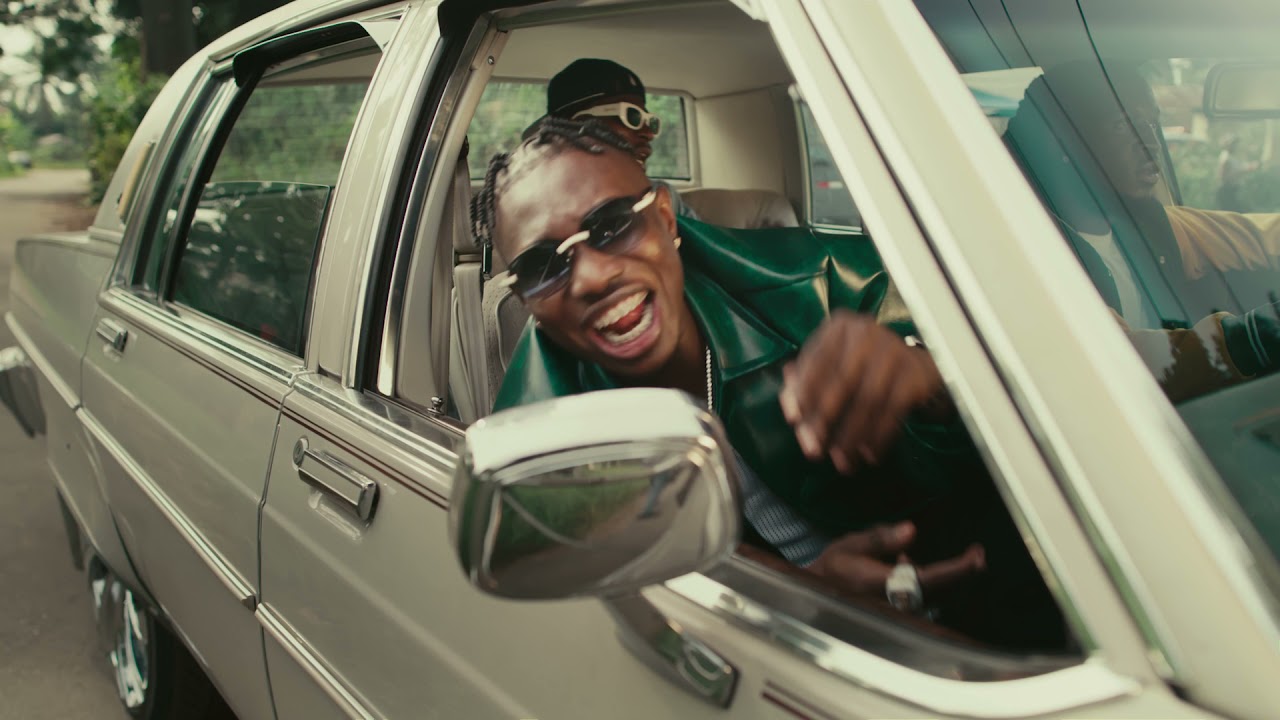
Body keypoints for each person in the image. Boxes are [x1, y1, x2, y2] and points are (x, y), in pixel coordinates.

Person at [470, 116, 1069, 649]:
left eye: (611, 226)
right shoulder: (537, 437)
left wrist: (932, 379)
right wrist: (805, 594)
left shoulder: (834, 285)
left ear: (665, 218)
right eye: (542, 267)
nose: (592, 277)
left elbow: (1056, 412)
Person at [543, 58, 698, 220]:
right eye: (632, 116)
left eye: (650, 122)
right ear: (575, 124)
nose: (648, 133)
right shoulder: (538, 203)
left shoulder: (664, 198)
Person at [1217, 134, 1258, 212]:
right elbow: (1224, 176)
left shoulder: (1232, 157)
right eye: (1233, 144)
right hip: (1228, 191)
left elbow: (1239, 167)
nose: (1236, 146)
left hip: (1233, 190)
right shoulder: (1226, 157)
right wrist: (1244, 170)